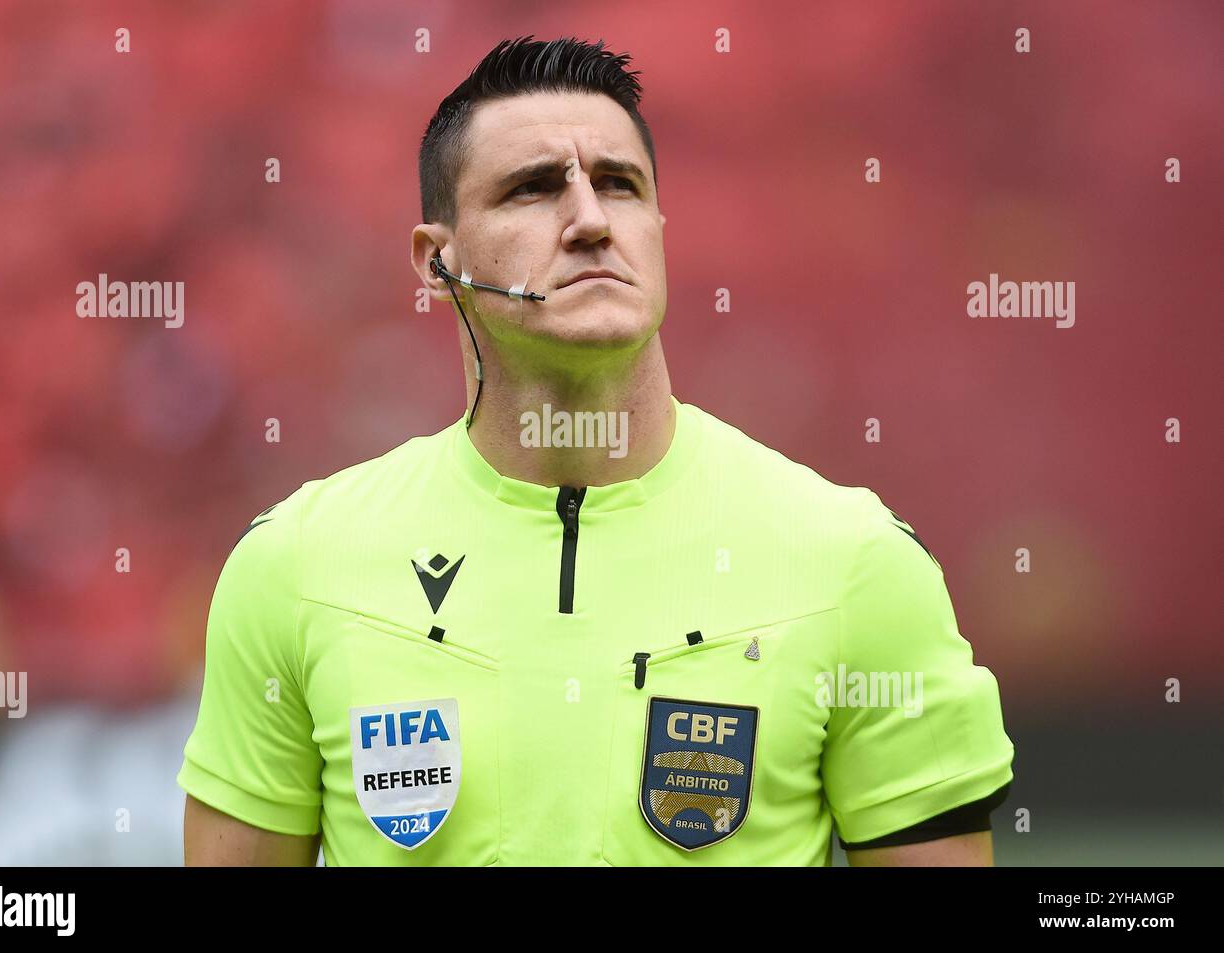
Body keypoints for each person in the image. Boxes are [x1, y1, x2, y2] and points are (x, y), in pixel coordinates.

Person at [179, 35, 1013, 866]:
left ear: (657, 229)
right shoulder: (295, 564)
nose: (588, 220)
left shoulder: (854, 560)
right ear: (439, 263)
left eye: (619, 185)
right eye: (533, 190)